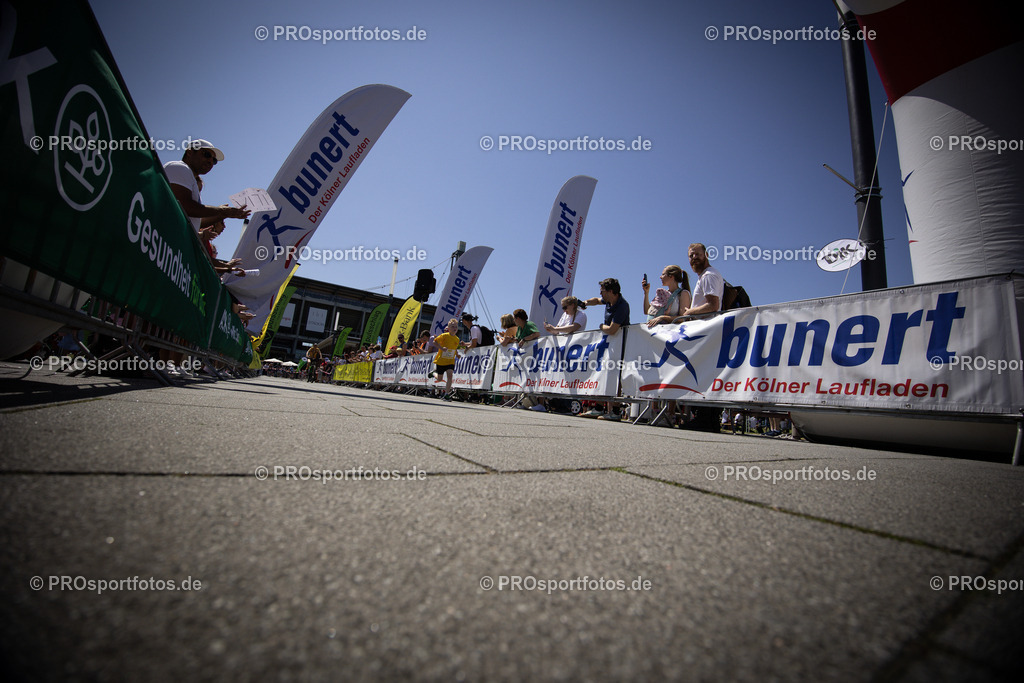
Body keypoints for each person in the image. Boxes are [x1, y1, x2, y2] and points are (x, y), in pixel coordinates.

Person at [163, 139, 250, 232]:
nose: (210, 161)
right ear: (189, 152)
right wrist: (221, 210)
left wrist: (224, 214)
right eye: (207, 155)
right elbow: (184, 205)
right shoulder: (179, 167)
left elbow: (197, 221)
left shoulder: (190, 179)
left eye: (214, 160)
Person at [580, 279, 630, 420]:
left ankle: (614, 411)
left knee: (615, 377)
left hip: (620, 344)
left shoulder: (622, 305)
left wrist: (601, 326)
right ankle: (598, 408)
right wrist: (585, 303)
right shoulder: (608, 301)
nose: (600, 292)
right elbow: (596, 300)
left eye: (602, 290)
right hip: (609, 343)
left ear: (610, 292)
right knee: (602, 373)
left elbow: (613, 329)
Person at [673, 243, 724, 320]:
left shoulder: (708, 275)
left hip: (706, 327)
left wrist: (690, 312)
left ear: (706, 255)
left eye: (697, 254)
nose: (694, 257)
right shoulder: (704, 275)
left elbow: (713, 305)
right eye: (691, 256)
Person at [431, 318, 467, 400]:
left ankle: (446, 394)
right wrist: (441, 348)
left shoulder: (457, 339)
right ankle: (433, 373)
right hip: (441, 361)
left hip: (450, 361)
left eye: (456, 327)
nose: (455, 328)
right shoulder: (444, 336)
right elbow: (434, 342)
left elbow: (454, 349)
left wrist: (457, 355)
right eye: (453, 327)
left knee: (450, 376)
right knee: (439, 379)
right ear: (448, 328)